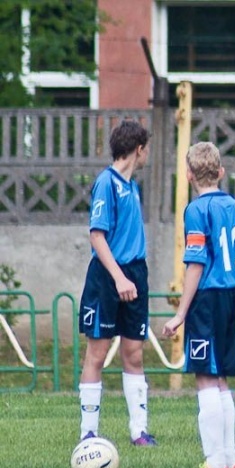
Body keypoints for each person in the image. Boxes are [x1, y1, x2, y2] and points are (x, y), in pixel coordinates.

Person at [161, 142, 235, 468]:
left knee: (205, 378)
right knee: (221, 377)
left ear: (188, 174)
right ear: (221, 172)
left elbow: (196, 264)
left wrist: (181, 313)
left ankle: (215, 461)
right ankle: (230, 460)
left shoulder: (196, 210)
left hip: (207, 299)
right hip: (231, 295)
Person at [77, 120, 157, 446]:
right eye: (147, 148)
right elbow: (97, 235)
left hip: (135, 274)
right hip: (108, 277)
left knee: (134, 353)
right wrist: (118, 277)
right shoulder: (106, 183)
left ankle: (139, 431)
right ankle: (88, 432)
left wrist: (131, 276)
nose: (148, 154)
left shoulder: (132, 186)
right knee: (97, 353)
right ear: (138, 149)